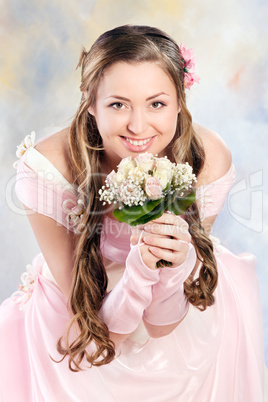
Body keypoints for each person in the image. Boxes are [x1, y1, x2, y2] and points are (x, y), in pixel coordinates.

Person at [0, 24, 266, 402]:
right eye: (117, 104)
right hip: (85, 315)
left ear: (179, 101)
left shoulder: (207, 160)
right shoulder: (50, 169)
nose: (138, 127)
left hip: (175, 318)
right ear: (90, 103)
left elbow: (161, 326)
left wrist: (174, 265)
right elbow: (102, 332)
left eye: (156, 103)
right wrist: (140, 270)